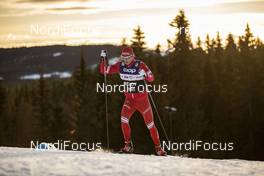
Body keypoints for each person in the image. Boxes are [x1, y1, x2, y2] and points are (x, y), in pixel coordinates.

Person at [99, 46, 166, 156]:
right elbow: (103, 70)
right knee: (123, 120)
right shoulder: (120, 66)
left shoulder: (140, 65)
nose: (125, 59)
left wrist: (145, 74)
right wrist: (103, 58)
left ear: (132, 56)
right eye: (123, 57)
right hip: (129, 100)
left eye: (127, 57)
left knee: (150, 125)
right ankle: (128, 145)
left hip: (143, 101)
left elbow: (151, 78)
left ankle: (158, 148)